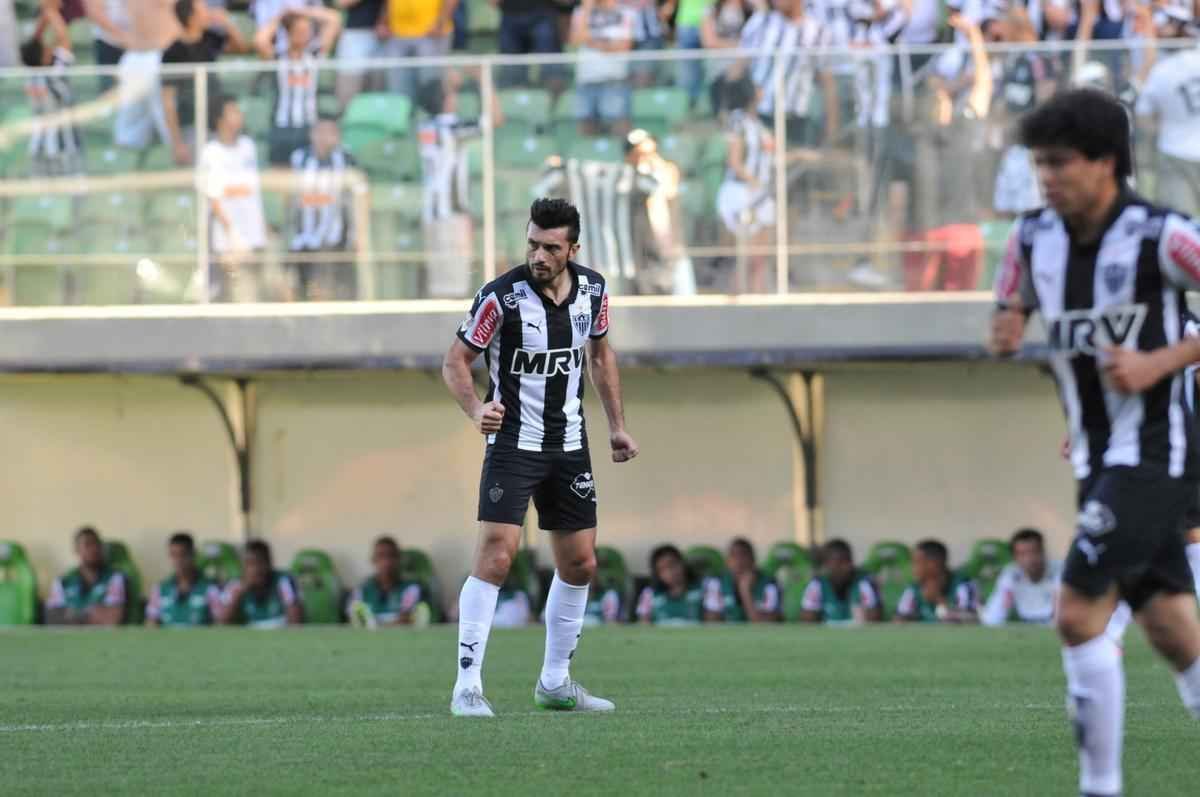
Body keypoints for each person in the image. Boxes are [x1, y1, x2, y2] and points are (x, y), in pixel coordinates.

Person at [990, 88, 1200, 797]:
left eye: (1060, 163)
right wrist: (1006, 326)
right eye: (1038, 163)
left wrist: (1159, 361)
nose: (1046, 177)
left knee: (1077, 611)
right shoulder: (1030, 237)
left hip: (1153, 452)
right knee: (1175, 631)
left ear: (1107, 162)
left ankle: (1099, 788)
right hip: (1091, 454)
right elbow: (1010, 303)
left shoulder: (1162, 234)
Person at [441, 197, 640, 717]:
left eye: (551, 247)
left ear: (573, 248)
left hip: (570, 445)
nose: (539, 255)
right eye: (532, 244)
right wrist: (475, 408)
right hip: (513, 444)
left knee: (580, 562)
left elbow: (600, 356)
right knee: (498, 555)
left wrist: (617, 427)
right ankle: (467, 686)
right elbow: (456, 361)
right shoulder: (500, 298)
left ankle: (555, 683)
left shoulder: (593, 290)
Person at [161, 0, 249, 166]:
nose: (208, 12)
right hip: (191, 124)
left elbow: (240, 47)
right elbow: (168, 101)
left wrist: (227, 23)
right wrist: (177, 143)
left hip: (216, 121)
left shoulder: (210, 38)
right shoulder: (173, 52)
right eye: (203, 10)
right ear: (191, 17)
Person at [199, 95, 268, 302]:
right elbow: (214, 197)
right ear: (220, 119)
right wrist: (232, 234)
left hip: (254, 235)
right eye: (233, 112)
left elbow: (253, 191)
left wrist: (260, 227)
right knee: (234, 294)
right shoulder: (211, 153)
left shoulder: (248, 146)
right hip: (229, 240)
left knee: (256, 293)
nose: (239, 116)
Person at [255, 6, 342, 167]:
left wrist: (302, 12)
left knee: (305, 173)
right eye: (299, 30)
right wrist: (281, 16)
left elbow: (334, 20)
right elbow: (260, 41)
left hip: (308, 127)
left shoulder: (315, 55)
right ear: (289, 33)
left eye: (307, 30)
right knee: (281, 175)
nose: (305, 34)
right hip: (281, 126)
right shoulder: (277, 58)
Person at [1135, 12, 1200, 216]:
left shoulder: (1160, 71)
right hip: (1176, 154)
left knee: (1181, 225)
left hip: (1174, 153)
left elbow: (1143, 119)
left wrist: (1164, 127)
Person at [287, 117, 358, 301]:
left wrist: (358, 236)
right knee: (293, 288)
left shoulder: (346, 159)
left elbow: (359, 195)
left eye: (330, 132)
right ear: (312, 134)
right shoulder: (299, 158)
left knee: (325, 292)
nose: (324, 137)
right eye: (320, 132)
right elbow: (289, 195)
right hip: (303, 239)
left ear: (338, 136)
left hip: (334, 239)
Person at [715, 74, 774, 293]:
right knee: (746, 255)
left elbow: (769, 157)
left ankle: (758, 298)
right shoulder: (737, 121)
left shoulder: (759, 123)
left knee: (760, 257)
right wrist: (755, 182)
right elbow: (734, 161)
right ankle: (739, 299)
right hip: (743, 192)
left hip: (762, 193)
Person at [21, 4, 83, 178]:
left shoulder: (28, 72)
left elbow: (33, 45)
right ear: (44, 56)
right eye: (46, 48)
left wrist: (47, 12)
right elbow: (64, 38)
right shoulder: (55, 73)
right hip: (64, 146)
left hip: (37, 146)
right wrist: (51, 10)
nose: (50, 47)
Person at [569, 0, 636, 137]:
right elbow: (575, 40)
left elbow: (624, 46)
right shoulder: (580, 13)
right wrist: (586, 9)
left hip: (615, 79)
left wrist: (591, 42)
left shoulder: (626, 13)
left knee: (619, 126)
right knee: (585, 127)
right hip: (586, 79)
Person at [44, 526, 127, 626]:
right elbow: (52, 619)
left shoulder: (114, 578)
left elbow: (113, 619)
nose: (94, 549)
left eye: (97, 544)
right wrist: (91, 614)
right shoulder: (63, 581)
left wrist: (72, 614)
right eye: (87, 545)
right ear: (76, 550)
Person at [980, 528, 1062, 626]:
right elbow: (992, 618)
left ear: (1043, 551)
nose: (1029, 559)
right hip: (1026, 625)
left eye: (1034, 552)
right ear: (1015, 557)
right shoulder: (1010, 574)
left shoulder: (1061, 570)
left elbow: (1065, 611)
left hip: (1054, 624)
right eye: (1022, 554)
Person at [216, 539, 303, 628]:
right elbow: (221, 623)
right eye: (249, 564)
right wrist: (237, 595)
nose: (255, 569)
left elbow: (295, 622)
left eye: (259, 562)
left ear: (269, 563)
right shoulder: (235, 585)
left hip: (281, 635)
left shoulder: (283, 581)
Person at [347, 536, 432, 626]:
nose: (387, 562)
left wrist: (375, 623)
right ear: (373, 559)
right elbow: (354, 621)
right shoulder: (362, 591)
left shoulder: (412, 588)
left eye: (392, 555)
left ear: (399, 559)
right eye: (381, 556)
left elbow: (409, 620)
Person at [382, 0, 457, 100]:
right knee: (397, 85)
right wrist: (383, 22)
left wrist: (440, 23)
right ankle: (403, 114)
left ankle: (436, 114)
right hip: (397, 33)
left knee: (431, 84)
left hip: (430, 34)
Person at [146, 532, 222, 628]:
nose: (178, 561)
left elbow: (219, 624)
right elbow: (151, 623)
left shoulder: (210, 588)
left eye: (183, 555)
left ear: (193, 554)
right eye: (173, 555)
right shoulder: (160, 589)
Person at [799, 538, 883, 624]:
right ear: (827, 564)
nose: (847, 567)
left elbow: (874, 619)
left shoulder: (864, 582)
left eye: (848, 561)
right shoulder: (817, 584)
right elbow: (807, 620)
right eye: (839, 563)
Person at [894, 539, 978, 623]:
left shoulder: (964, 585)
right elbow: (899, 618)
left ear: (933, 563)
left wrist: (938, 600)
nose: (913, 568)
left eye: (917, 562)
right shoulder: (913, 588)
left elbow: (971, 619)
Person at [704, 538, 781, 622]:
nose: (738, 561)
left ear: (753, 560)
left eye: (743, 555)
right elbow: (712, 620)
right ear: (727, 561)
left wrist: (745, 591)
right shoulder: (717, 582)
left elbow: (764, 622)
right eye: (733, 555)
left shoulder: (769, 584)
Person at [333, 0, 387, 109]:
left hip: (380, 38)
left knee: (376, 88)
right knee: (349, 89)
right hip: (354, 36)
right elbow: (340, 3)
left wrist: (383, 22)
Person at [636, 544, 706, 625]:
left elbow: (712, 625)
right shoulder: (649, 594)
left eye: (672, 565)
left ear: (682, 563)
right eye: (662, 569)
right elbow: (644, 626)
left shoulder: (703, 589)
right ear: (657, 574)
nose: (670, 572)